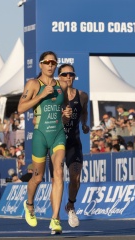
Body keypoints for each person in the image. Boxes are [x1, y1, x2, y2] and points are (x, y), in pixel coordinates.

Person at [17, 51, 71, 234]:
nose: (50, 65)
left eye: (53, 62)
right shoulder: (33, 84)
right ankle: (29, 204)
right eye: (47, 62)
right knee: (38, 177)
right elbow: (20, 108)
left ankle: (55, 218)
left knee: (58, 173)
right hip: (40, 135)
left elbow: (62, 110)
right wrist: (40, 96)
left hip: (58, 135)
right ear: (40, 64)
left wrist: (66, 115)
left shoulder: (61, 85)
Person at [49, 63, 89, 229]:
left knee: (75, 178)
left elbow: (84, 111)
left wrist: (84, 124)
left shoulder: (82, 96)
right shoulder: (52, 96)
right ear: (59, 77)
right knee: (57, 180)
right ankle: (55, 217)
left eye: (71, 74)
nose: (68, 78)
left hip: (73, 142)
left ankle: (70, 206)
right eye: (64, 75)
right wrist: (62, 118)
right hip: (56, 143)